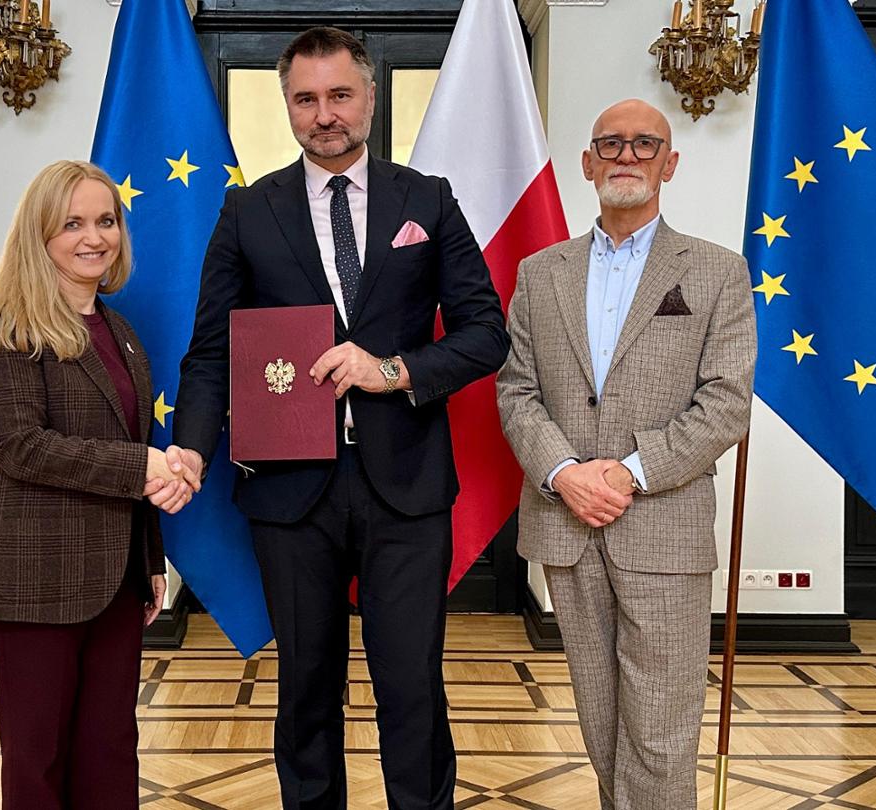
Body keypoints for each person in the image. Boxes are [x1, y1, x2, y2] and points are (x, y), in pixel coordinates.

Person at [168, 26, 509, 810]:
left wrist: (391, 371)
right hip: (290, 493)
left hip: (408, 489)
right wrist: (189, 450)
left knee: (412, 687)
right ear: (288, 105)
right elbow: (210, 353)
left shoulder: (429, 200)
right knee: (306, 690)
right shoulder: (247, 212)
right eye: (305, 99)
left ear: (370, 97)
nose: (325, 114)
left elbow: (485, 333)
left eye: (339, 95)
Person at [495, 98, 755, 809]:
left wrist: (626, 474)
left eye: (645, 145)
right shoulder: (538, 273)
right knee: (600, 717)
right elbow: (517, 390)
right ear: (587, 163)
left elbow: (725, 404)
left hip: (663, 528)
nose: (627, 157)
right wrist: (564, 473)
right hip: (568, 526)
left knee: (663, 730)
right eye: (610, 144)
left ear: (670, 163)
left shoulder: (716, 272)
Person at [0, 159, 196, 809]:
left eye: (106, 220)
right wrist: (143, 468)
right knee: (40, 763)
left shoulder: (119, 333)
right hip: (36, 578)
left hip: (116, 578)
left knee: (110, 753)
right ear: (39, 236)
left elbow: (129, 447)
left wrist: (148, 560)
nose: (94, 237)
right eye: (72, 224)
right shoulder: (8, 327)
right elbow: (19, 449)